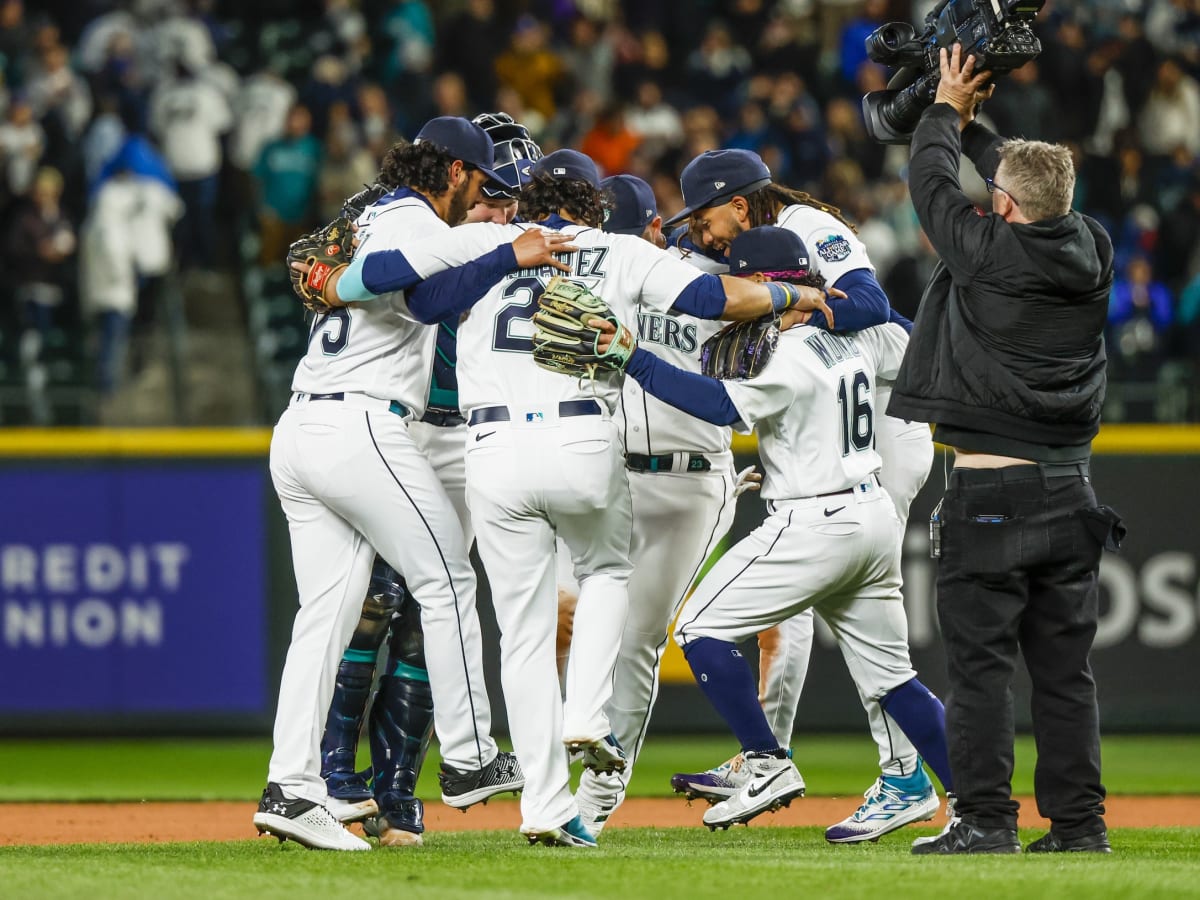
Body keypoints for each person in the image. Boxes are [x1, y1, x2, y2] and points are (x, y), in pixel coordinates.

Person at [315, 150, 837, 847]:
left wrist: (493, 263)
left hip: (491, 450)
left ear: (527, 203)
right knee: (607, 577)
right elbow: (712, 299)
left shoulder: (484, 242)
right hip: (584, 441)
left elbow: (419, 302)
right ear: (594, 205)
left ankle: (545, 807)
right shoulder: (618, 251)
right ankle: (588, 715)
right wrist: (789, 296)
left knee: (524, 637)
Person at [254, 116, 569, 852]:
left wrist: (492, 255)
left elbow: (423, 302)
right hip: (360, 423)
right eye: (484, 184)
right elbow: (379, 275)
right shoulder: (407, 214)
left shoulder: (374, 213)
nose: (488, 198)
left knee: (322, 619)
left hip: (303, 428)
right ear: (455, 172)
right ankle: (467, 759)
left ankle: (291, 788)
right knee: (450, 580)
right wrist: (500, 248)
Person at [584, 225, 952, 833]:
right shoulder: (852, 337)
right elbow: (900, 345)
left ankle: (767, 760)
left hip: (816, 520)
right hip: (872, 516)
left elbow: (725, 408)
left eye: (743, 284)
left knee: (700, 630)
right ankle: (978, 807)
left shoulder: (791, 352)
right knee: (896, 682)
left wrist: (633, 358)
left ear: (764, 285)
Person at [663, 147, 940, 844]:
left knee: (714, 622)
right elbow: (899, 339)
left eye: (707, 224)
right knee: (882, 660)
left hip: (867, 451)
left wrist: (797, 317)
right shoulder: (815, 317)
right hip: (862, 468)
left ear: (737, 203)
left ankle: (773, 759)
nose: (710, 244)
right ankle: (956, 792)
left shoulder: (805, 232)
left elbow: (872, 304)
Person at [894, 46, 1116, 856]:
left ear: (1004, 209)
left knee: (981, 669)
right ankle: (1080, 828)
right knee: (1065, 675)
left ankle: (985, 820)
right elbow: (1021, 180)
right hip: (1072, 491)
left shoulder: (986, 251)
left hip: (990, 493)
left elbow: (927, 175)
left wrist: (944, 112)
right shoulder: (1092, 248)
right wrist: (970, 116)